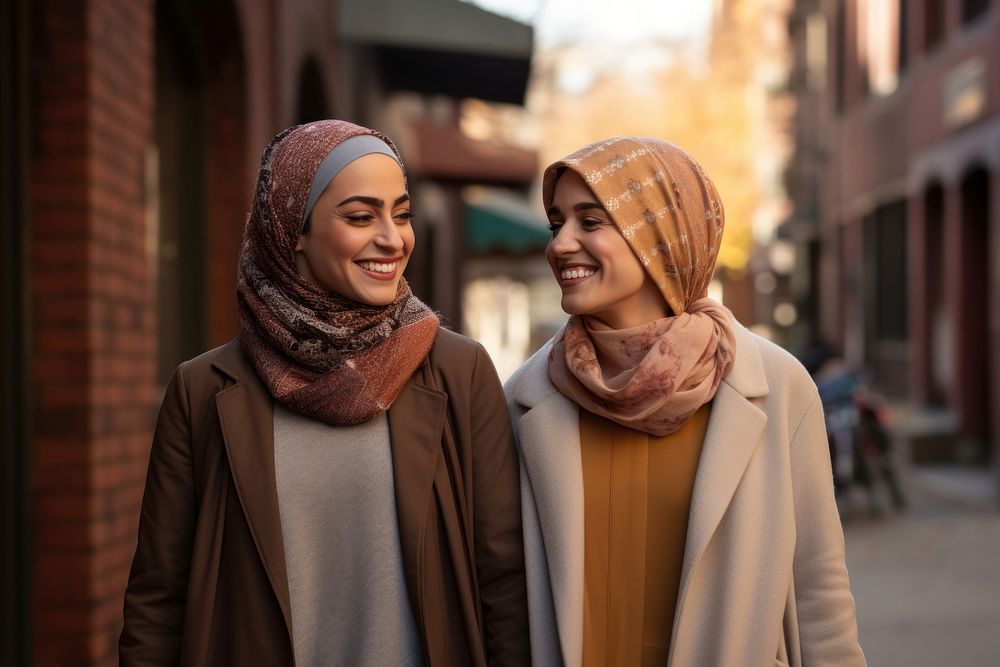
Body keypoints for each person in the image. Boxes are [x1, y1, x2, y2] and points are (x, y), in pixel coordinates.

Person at [120, 119, 529, 666]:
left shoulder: (460, 371)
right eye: (361, 216)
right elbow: (158, 599)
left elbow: (502, 579)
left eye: (401, 213)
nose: (392, 237)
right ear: (293, 232)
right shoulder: (203, 390)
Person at [505, 137, 865, 666]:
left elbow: (819, 590)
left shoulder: (778, 384)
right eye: (556, 223)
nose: (561, 245)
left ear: (661, 231)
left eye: (591, 221)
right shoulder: (523, 397)